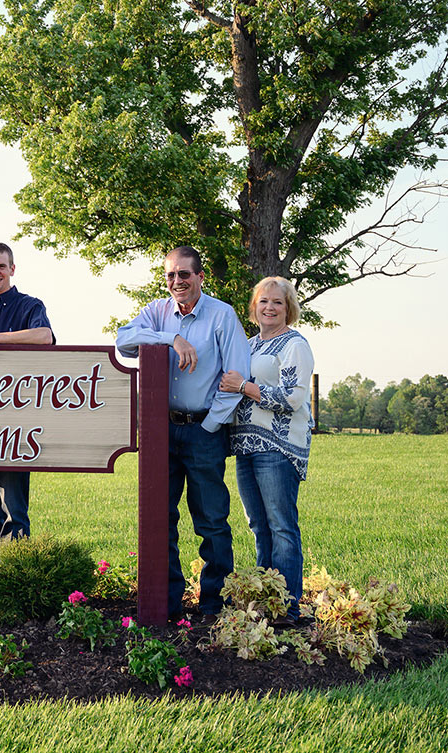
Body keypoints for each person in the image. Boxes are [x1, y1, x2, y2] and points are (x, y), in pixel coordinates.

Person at [114, 245, 249, 620]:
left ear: (200, 277)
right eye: (171, 275)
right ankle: (169, 605)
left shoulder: (222, 316)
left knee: (211, 521)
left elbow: (238, 375)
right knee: (161, 520)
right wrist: (169, 338)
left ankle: (212, 606)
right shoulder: (157, 312)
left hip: (204, 431)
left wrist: (209, 424)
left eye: (184, 274)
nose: (177, 282)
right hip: (160, 433)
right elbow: (122, 341)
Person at [219, 276, 314, 624]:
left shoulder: (294, 346)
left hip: (277, 448)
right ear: (254, 307)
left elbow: (293, 397)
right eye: (263, 301)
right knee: (259, 525)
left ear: (288, 308)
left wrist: (245, 386)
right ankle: (266, 600)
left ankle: (287, 608)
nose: (270, 307)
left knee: (281, 526)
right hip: (245, 445)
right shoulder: (248, 345)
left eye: (277, 302)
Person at [0, 241, 55, 552]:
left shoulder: (30, 306)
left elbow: (44, 336)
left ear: (12, 269)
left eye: (1, 266)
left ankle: (12, 587)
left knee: (13, 508)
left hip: (16, 423)